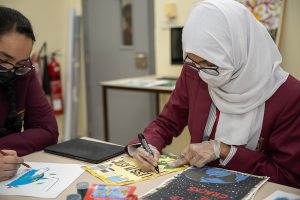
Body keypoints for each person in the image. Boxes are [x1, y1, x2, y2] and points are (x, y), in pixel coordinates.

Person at [127, 0, 300, 188]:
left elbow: (288, 176)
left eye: (209, 64)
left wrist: (223, 151)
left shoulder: (288, 95)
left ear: (238, 51)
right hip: (198, 185)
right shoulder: (194, 73)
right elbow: (167, 122)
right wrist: (148, 146)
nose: (202, 72)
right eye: (193, 61)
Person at [0, 6, 59, 181]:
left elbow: (47, 131)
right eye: (4, 60)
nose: (11, 70)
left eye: (20, 63)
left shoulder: (24, 72)